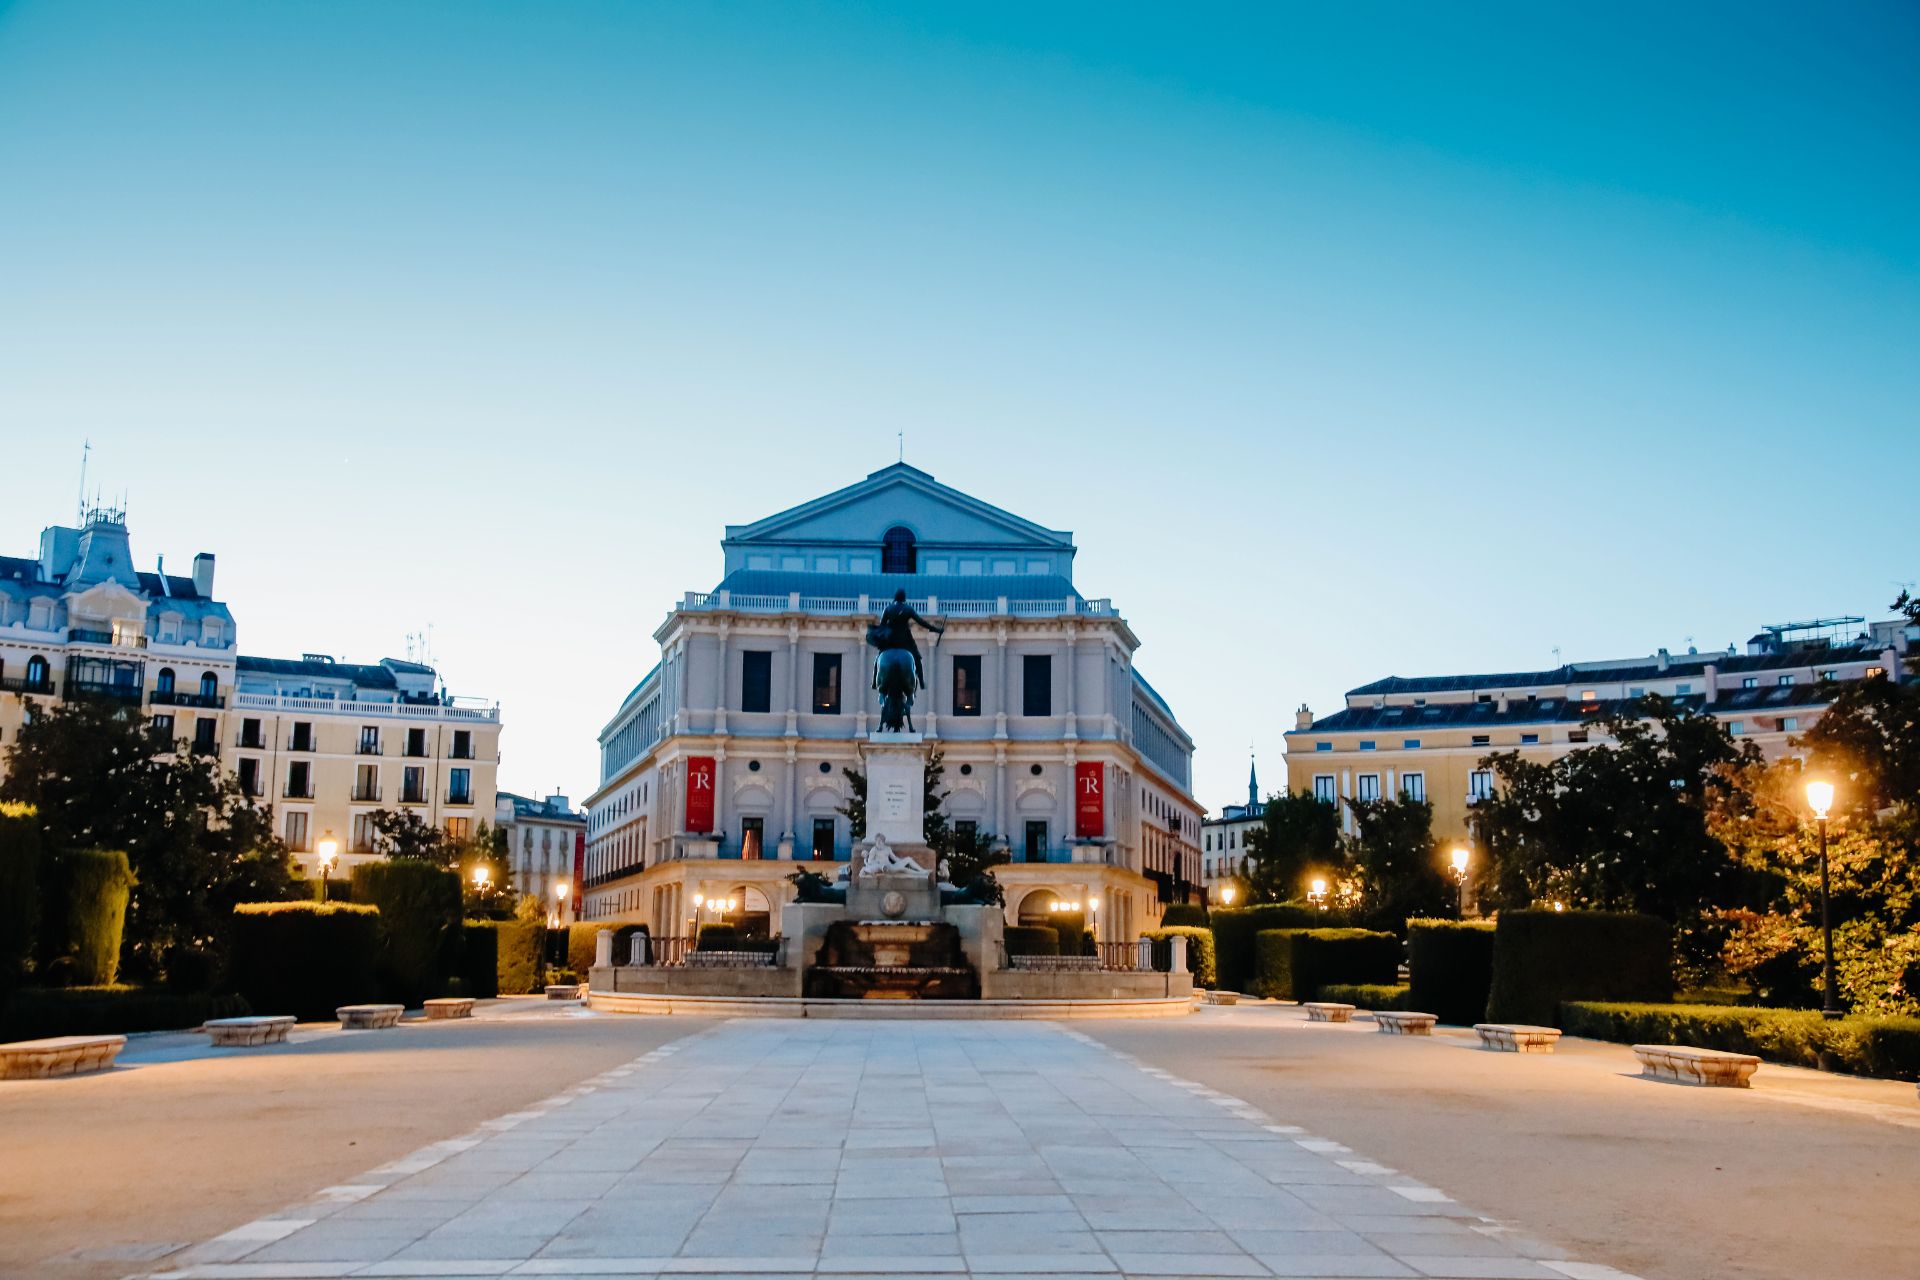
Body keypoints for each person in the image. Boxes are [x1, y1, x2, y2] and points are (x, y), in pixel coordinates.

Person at [870, 588, 944, 689]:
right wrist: (936, 629)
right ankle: (921, 682)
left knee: (878, 658)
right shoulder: (908, 609)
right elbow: (921, 622)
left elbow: (882, 626)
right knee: (917, 659)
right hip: (905, 641)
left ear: (895, 598)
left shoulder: (888, 609)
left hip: (890, 641)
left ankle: (874, 682)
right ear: (904, 598)